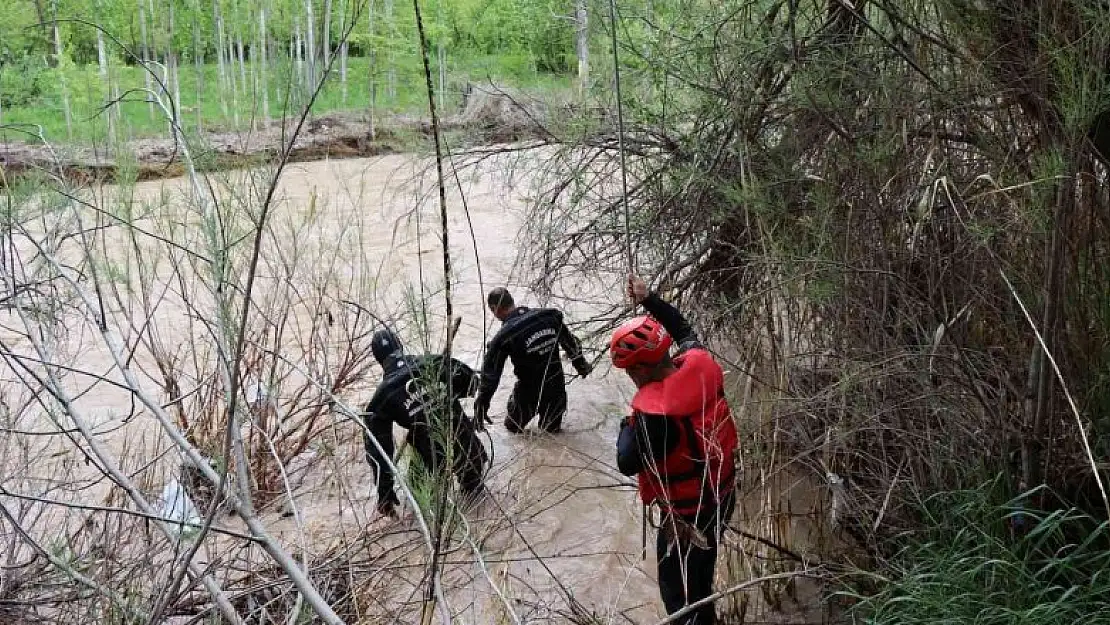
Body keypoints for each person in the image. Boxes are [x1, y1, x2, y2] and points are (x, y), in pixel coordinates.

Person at [613, 275, 739, 625]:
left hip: (688, 514)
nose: (628, 376)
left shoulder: (656, 416)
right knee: (700, 577)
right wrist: (648, 299)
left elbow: (626, 462)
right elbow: (683, 329)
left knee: (678, 589)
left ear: (640, 367)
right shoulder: (700, 363)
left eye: (628, 369)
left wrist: (627, 423)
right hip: (723, 493)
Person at [362, 328, 488, 517]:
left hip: (430, 457)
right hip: (468, 448)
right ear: (400, 346)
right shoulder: (435, 362)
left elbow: (379, 452)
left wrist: (385, 493)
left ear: (378, 359)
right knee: (476, 498)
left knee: (422, 502)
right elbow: (473, 384)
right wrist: (443, 398)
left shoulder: (382, 397)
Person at [474, 287, 593, 434]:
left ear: (494, 308)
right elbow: (570, 344)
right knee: (552, 435)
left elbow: (491, 375)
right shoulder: (549, 317)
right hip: (556, 389)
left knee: (512, 430)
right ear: (512, 302)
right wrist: (581, 366)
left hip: (528, 395)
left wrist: (481, 406)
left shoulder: (504, 336)